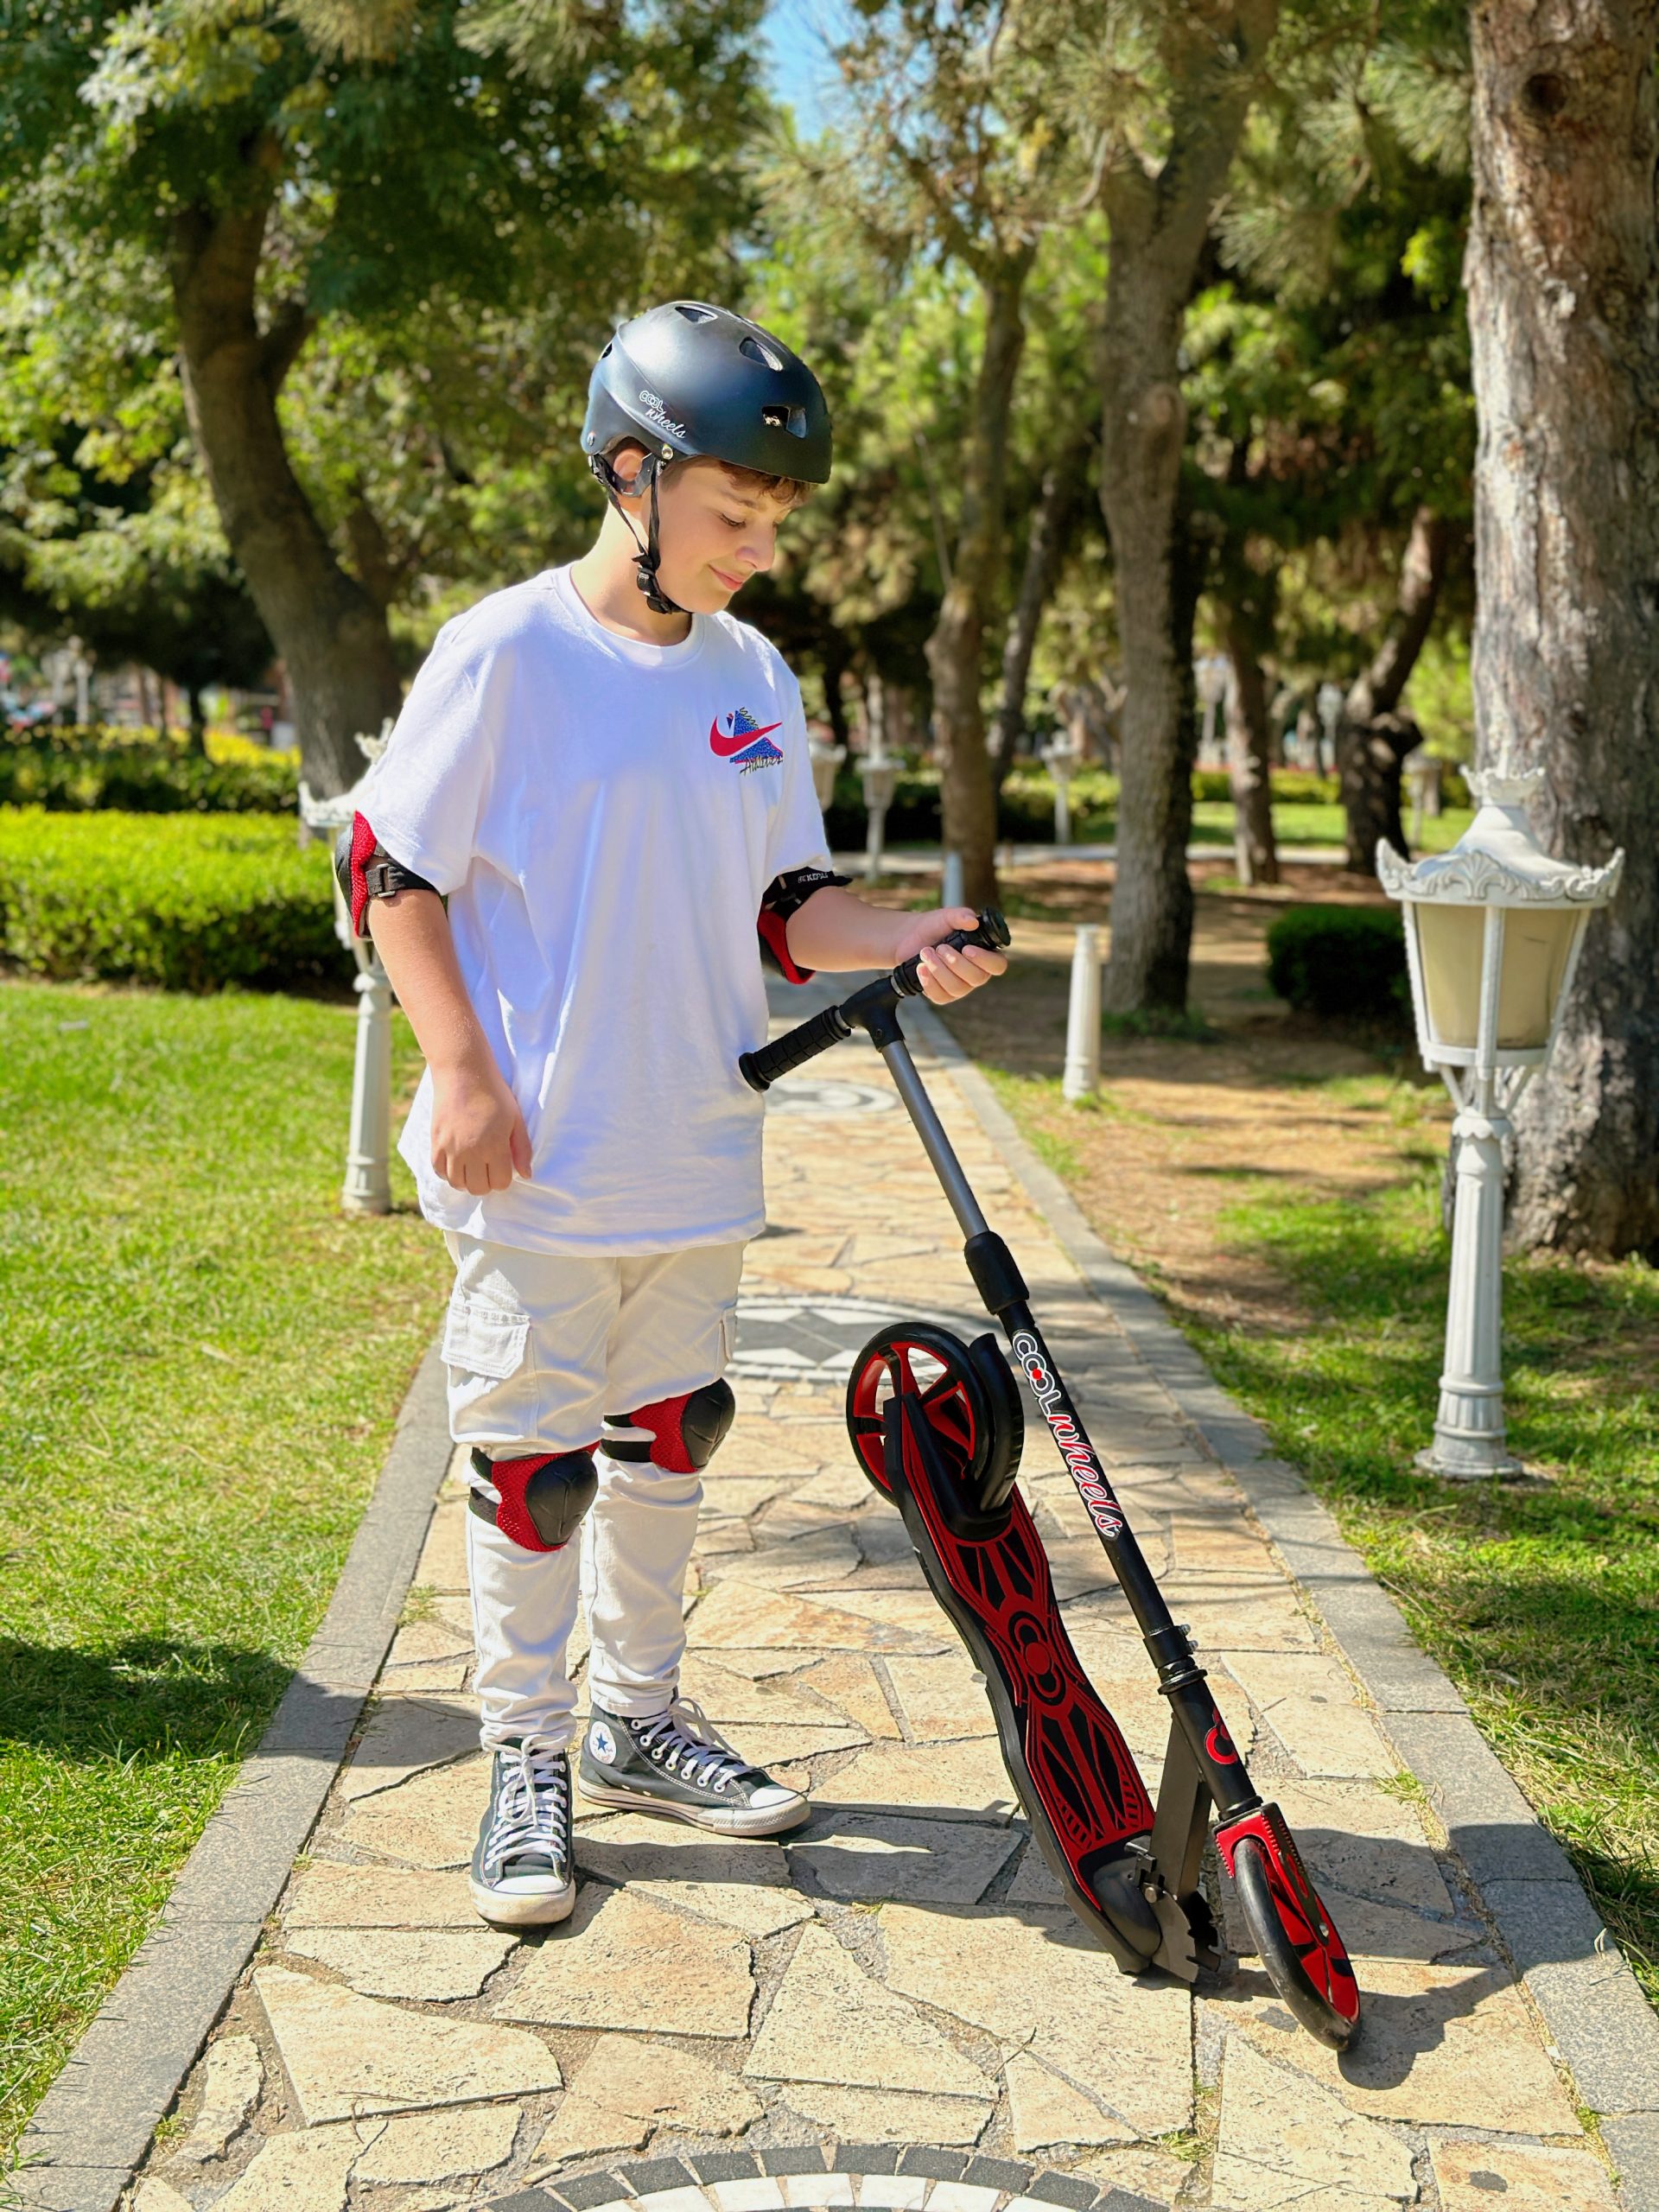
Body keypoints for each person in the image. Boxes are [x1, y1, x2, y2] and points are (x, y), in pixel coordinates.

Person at [339, 301, 1006, 1929]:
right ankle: (525, 1755)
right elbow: (389, 868)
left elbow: (787, 910)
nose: (761, 551)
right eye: (735, 513)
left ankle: (639, 1718)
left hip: (695, 1143)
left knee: (669, 1438)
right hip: (541, 1158)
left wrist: (906, 935)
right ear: (631, 475)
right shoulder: (508, 652)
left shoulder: (752, 672)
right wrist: (462, 1069)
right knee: (534, 1466)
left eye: (777, 521)